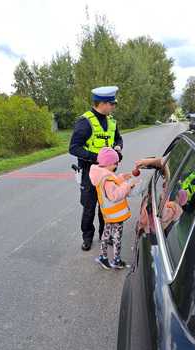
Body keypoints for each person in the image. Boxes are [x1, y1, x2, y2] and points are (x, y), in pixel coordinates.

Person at [69, 86, 123, 251]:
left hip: (108, 174)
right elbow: (74, 148)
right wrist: (98, 158)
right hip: (89, 173)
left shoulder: (111, 121)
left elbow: (118, 139)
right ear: (103, 104)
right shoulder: (85, 122)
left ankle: (104, 235)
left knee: (106, 205)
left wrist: (118, 149)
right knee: (89, 207)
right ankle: (87, 237)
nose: (114, 106)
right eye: (112, 104)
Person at [89, 147, 135, 270]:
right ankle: (116, 260)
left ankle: (103, 257)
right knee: (117, 237)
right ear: (109, 163)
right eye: (115, 163)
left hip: (109, 214)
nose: (117, 165)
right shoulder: (107, 179)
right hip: (116, 215)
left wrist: (121, 178)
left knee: (106, 234)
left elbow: (111, 183)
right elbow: (114, 195)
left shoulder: (101, 174)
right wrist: (127, 185)